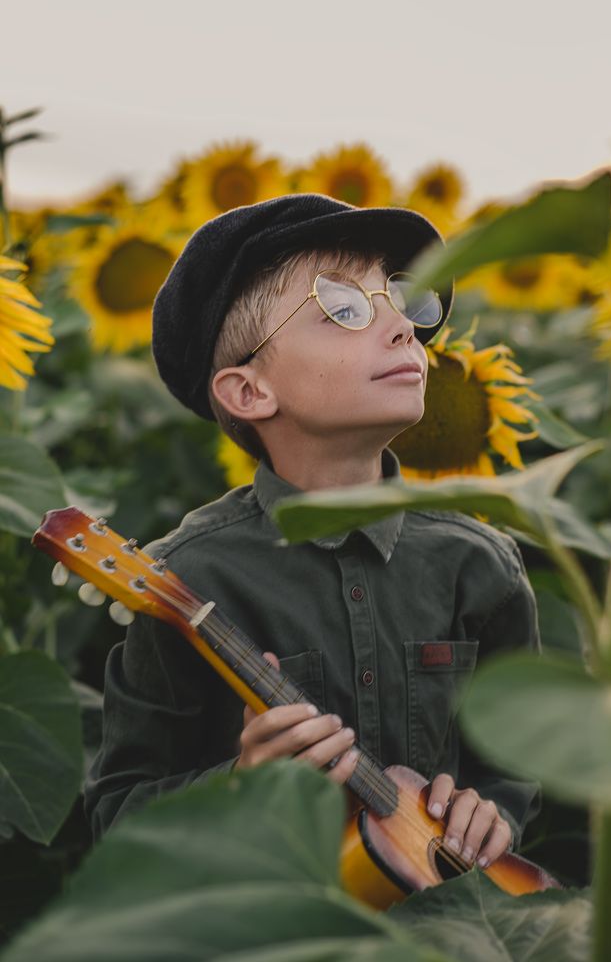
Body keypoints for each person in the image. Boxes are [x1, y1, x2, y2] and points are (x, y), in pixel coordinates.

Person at [84, 193, 540, 876]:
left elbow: (521, 759)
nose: (401, 329)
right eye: (345, 310)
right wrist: (240, 786)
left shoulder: (478, 563)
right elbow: (117, 817)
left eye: (401, 301)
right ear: (249, 392)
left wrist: (494, 808)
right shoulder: (187, 577)